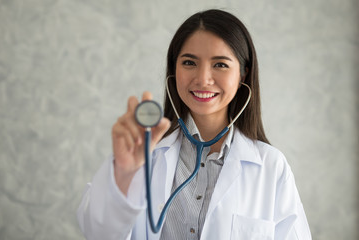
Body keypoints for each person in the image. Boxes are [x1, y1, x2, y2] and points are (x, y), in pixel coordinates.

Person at [77, 9, 312, 240]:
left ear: (242, 74)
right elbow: (97, 233)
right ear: (174, 70)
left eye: (220, 64)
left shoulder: (271, 167)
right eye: (189, 62)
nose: (202, 79)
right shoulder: (145, 155)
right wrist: (123, 174)